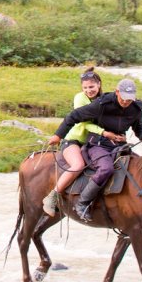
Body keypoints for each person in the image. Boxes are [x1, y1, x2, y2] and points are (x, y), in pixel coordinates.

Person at [47, 77, 142, 222]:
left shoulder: (135, 108)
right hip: (97, 145)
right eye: (123, 98)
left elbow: (139, 126)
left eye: (129, 99)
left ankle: (139, 207)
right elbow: (74, 116)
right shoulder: (103, 104)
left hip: (119, 146)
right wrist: (58, 136)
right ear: (117, 92)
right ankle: (82, 202)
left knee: (139, 167)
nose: (125, 102)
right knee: (106, 168)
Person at [42, 67, 105, 216]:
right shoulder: (80, 98)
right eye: (85, 88)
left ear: (99, 85)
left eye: (92, 87)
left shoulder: (103, 99)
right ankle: (52, 196)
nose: (89, 90)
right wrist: (104, 132)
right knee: (78, 165)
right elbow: (84, 123)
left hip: (91, 143)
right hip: (73, 141)